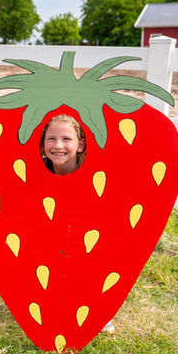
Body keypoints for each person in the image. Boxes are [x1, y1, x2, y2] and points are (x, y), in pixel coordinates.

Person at [39, 114, 115, 334]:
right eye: (51, 139)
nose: (58, 145)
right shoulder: (37, 173)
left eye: (67, 139)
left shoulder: (94, 175)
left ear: (81, 145)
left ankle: (100, 312)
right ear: (43, 145)